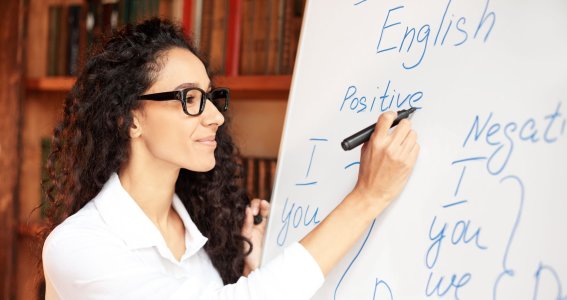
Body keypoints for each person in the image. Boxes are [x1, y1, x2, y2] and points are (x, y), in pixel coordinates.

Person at [41, 18, 419, 300]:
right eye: (189, 99)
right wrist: (367, 197)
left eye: (210, 96)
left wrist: (248, 272)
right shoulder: (77, 247)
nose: (216, 117)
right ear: (130, 118)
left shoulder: (199, 237)